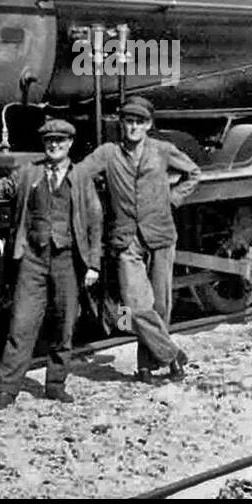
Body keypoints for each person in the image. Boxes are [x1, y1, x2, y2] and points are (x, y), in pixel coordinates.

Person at [0, 118, 103, 409]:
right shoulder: (28, 172)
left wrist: (93, 265)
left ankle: (55, 385)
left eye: (60, 141)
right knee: (21, 325)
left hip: (67, 260)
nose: (55, 145)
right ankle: (6, 391)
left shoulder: (82, 177)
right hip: (33, 258)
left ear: (70, 144)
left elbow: (95, 221)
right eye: (50, 141)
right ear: (44, 144)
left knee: (64, 325)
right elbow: (3, 187)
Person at [78, 95, 199, 384]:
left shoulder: (163, 150)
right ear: (122, 124)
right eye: (128, 121)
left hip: (160, 234)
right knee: (135, 305)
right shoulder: (108, 153)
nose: (133, 127)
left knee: (160, 306)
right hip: (126, 239)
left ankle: (147, 367)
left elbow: (194, 173)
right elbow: (80, 172)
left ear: (149, 125)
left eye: (139, 122)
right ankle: (173, 354)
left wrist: (173, 198)